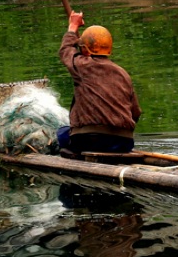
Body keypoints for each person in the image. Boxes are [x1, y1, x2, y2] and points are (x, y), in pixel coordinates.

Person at [57, 10, 141, 154]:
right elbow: (136, 113)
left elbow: (65, 50)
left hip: (91, 141)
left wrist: (72, 27)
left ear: (85, 50)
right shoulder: (123, 73)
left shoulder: (82, 66)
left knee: (62, 134)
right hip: (124, 142)